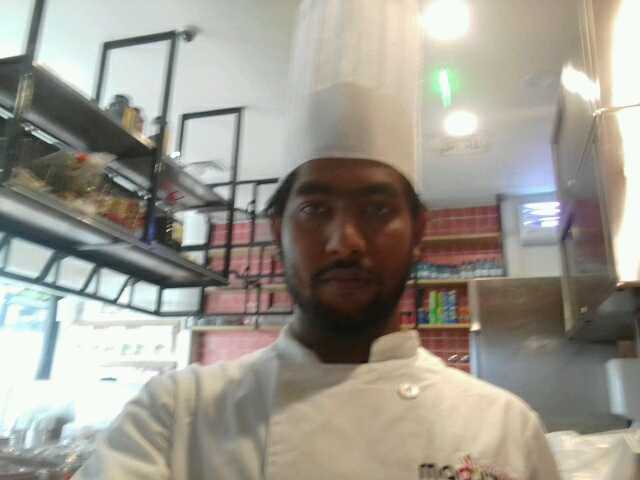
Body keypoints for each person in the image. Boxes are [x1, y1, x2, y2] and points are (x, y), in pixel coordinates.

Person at [74, 1, 561, 479]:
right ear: (276, 231)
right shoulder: (174, 419)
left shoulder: (504, 431)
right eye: (314, 210)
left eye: (377, 210)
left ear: (419, 232)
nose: (345, 242)